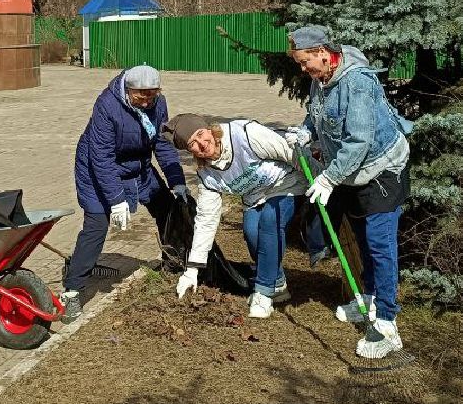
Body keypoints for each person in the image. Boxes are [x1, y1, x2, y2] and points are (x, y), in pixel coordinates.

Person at [285, 25, 413, 361]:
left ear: (323, 53)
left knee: (379, 244)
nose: (303, 70)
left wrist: (328, 179)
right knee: (360, 237)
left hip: (382, 170)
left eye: (304, 62)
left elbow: (359, 141)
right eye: (299, 64)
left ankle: (387, 323)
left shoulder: (356, 83)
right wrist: (303, 132)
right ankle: (368, 299)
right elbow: (318, 116)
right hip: (353, 174)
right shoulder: (321, 79)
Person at [61, 65, 188, 319]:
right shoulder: (107, 105)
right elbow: (101, 158)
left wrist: (177, 180)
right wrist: (116, 200)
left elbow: (161, 143)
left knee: (166, 205)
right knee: (97, 225)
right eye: (142, 96)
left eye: (153, 95)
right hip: (97, 169)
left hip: (137, 166)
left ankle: (172, 261)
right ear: (128, 90)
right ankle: (72, 291)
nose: (148, 101)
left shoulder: (158, 103)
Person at [162, 113, 306, 318]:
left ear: (210, 129)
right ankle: (278, 282)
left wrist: (323, 181)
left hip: (287, 183)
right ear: (189, 150)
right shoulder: (207, 175)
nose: (202, 143)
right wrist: (192, 269)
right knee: (250, 232)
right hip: (255, 196)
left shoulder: (245, 135)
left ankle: (264, 292)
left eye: (202, 134)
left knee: (269, 222)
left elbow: (289, 152)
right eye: (193, 143)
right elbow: (206, 220)